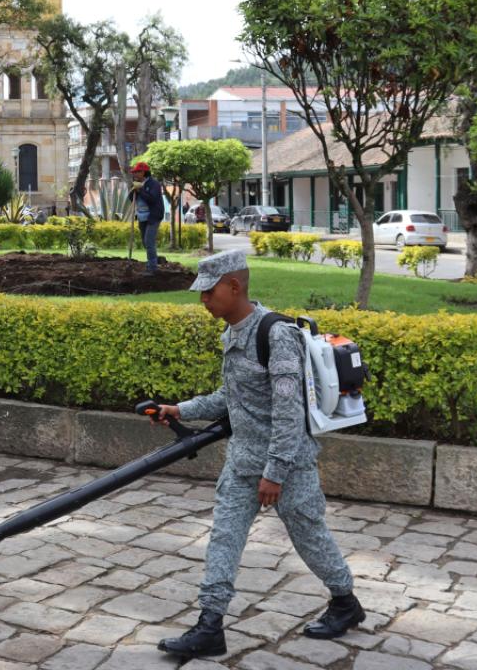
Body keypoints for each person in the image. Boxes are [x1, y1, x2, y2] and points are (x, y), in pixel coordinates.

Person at [151, 250, 363, 659]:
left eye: (209, 292)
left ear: (234, 287)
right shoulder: (232, 333)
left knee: (310, 537)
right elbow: (229, 398)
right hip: (243, 460)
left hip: (288, 463)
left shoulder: (276, 335)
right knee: (224, 538)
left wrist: (276, 473)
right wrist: (181, 410)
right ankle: (210, 625)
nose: (203, 301)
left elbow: (289, 412)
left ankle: (345, 601)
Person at [128, 161, 165, 274]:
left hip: (153, 216)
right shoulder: (138, 183)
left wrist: (140, 190)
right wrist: (134, 190)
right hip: (141, 217)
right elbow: (131, 199)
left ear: (143, 172)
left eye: (136, 172)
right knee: (145, 242)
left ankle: (152, 268)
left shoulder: (154, 184)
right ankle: (156, 259)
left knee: (149, 242)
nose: (134, 174)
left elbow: (152, 199)